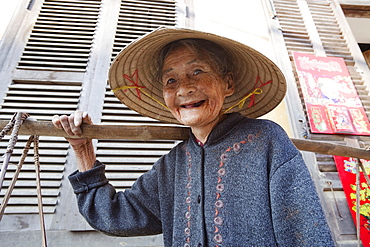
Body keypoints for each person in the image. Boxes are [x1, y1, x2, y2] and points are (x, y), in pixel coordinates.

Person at [52, 27, 335, 246]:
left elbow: (304, 230)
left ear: (228, 83)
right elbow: (115, 216)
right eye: (170, 80)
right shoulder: (171, 165)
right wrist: (83, 151)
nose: (184, 89)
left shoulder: (265, 140)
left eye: (197, 71)